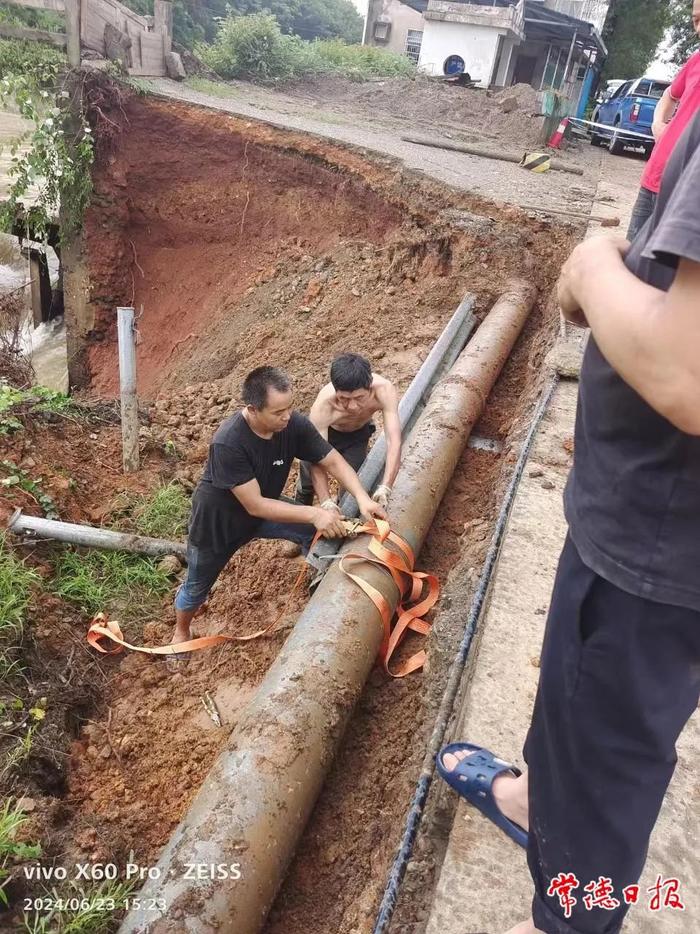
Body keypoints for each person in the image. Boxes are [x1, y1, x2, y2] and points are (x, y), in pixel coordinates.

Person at [437, 111, 700, 934]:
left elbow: (689, 374)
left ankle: (571, 923)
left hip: (655, 549)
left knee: (605, 764)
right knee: (570, 708)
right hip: (637, 521)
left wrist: (589, 270)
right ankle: (533, 798)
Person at [169, 365, 386, 667]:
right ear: (253, 409)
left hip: (265, 508)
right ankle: (180, 632)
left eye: (290, 408)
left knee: (319, 535)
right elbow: (254, 505)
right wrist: (314, 512)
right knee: (197, 584)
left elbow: (332, 460)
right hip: (220, 523)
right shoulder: (228, 442)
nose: (287, 416)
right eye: (278, 412)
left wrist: (363, 500)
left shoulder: (291, 425)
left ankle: (321, 587)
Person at [627, 0, 700, 239]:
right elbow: (669, 96)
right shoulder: (695, 60)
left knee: (664, 273)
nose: (698, 29)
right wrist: (658, 124)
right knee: (631, 260)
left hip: (685, 194)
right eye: (696, 20)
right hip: (654, 176)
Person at [295, 352, 401, 510]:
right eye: (343, 399)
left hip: (356, 436)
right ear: (335, 389)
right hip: (326, 435)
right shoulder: (324, 406)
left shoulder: (384, 390)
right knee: (308, 479)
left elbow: (394, 441)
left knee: (352, 482)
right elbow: (317, 459)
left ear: (369, 386)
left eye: (359, 398)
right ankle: (300, 510)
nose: (352, 406)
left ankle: (344, 513)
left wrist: (386, 486)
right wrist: (325, 500)